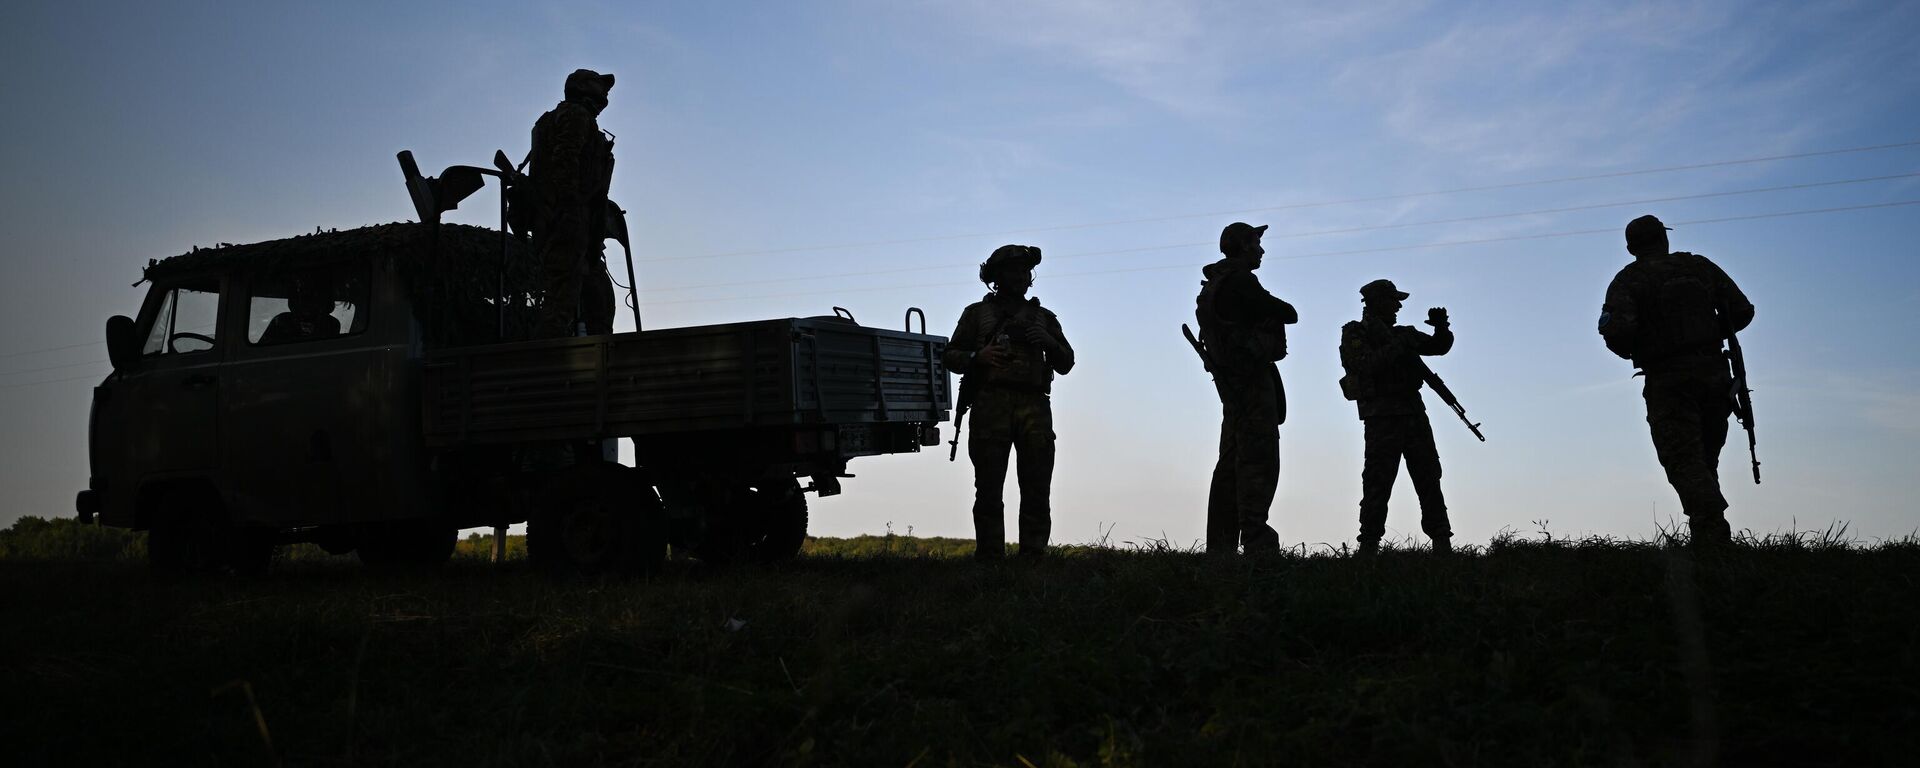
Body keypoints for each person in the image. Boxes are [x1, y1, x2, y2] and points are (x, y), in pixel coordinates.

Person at [1599, 214, 1754, 549]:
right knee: (1703, 457)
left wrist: (1647, 349)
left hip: (1669, 381)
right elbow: (1742, 311)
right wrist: (1707, 337)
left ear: (1630, 247)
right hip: (1714, 377)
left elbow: (1616, 332)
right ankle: (1709, 537)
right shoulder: (1699, 267)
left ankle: (1712, 533)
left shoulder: (1629, 281)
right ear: (1663, 239)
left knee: (1683, 458)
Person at [944, 245, 1075, 560]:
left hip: (1034, 406)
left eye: (1024, 271)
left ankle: (1032, 558)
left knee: (1036, 489)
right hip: (991, 404)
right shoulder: (976, 314)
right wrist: (980, 356)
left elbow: (1067, 361)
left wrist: (1049, 343)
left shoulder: (1043, 318)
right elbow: (950, 355)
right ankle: (990, 560)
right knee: (988, 490)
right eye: (1012, 270)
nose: (1020, 276)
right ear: (996, 277)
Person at [1196, 222, 1297, 555]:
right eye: (1256, 243)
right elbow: (1287, 313)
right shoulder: (1240, 281)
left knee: (1230, 463)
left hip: (1234, 385)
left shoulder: (1217, 283)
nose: (1261, 250)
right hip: (1250, 383)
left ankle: (1221, 551)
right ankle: (1257, 545)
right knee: (1258, 461)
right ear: (1242, 246)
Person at [1338, 279, 1454, 555]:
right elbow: (1363, 365)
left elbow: (1439, 346)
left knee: (1428, 476)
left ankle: (1441, 540)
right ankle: (1368, 545)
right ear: (1377, 302)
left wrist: (1441, 326)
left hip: (1413, 413)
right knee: (1378, 482)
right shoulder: (1355, 332)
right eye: (1392, 299)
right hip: (1382, 418)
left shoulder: (1404, 333)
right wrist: (1397, 346)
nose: (1398, 305)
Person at [529, 68, 618, 337]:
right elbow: (565, 164)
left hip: (574, 221)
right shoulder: (575, 116)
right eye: (599, 87)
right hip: (567, 221)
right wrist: (570, 212)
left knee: (597, 296)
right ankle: (549, 365)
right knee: (562, 303)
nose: (604, 95)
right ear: (583, 88)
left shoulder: (561, 119)